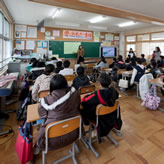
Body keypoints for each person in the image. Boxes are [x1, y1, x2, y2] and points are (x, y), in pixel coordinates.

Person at [36, 74, 80, 151]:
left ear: (52, 86)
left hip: (51, 140)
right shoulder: (75, 94)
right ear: (65, 84)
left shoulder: (45, 101)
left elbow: (43, 116)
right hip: (73, 132)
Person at [81, 73, 122, 142]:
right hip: (112, 116)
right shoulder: (114, 91)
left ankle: (87, 125)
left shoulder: (97, 94)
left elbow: (84, 101)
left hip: (101, 120)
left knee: (84, 109)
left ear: (99, 84)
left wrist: (88, 95)